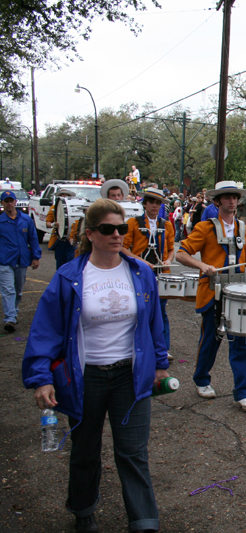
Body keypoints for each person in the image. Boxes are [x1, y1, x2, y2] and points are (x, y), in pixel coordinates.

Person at [22, 198, 169, 532]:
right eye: (108, 229)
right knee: (85, 451)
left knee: (133, 453)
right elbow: (47, 330)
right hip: (84, 377)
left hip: (129, 377)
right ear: (90, 234)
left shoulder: (141, 272)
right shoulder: (70, 276)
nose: (117, 235)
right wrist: (41, 377)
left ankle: (144, 521)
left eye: (121, 229)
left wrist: (160, 363)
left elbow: (153, 323)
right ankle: (83, 511)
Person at [175, 181, 246, 412]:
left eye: (235, 197)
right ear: (217, 201)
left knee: (239, 343)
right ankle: (201, 379)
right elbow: (181, 253)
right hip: (212, 292)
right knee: (211, 340)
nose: (232, 201)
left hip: (237, 293)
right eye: (227, 197)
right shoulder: (205, 228)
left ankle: (244, 393)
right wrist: (202, 264)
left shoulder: (244, 229)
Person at [121, 187, 175, 361]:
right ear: (144, 204)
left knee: (161, 311)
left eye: (158, 203)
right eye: (151, 202)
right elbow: (123, 248)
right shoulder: (133, 223)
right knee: (139, 309)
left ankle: (163, 348)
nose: (154, 205)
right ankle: (137, 346)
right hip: (139, 273)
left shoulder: (166, 225)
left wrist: (168, 261)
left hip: (161, 273)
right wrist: (141, 261)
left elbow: (172, 249)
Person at [0, 190, 41, 332]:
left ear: (15, 202)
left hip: (22, 260)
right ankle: (10, 318)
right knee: (7, 290)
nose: (9, 203)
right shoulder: (1, 221)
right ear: (2, 203)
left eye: (11, 201)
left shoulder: (26, 220)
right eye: (6, 201)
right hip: (4, 261)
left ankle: (13, 310)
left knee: (18, 291)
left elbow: (33, 239)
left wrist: (36, 257)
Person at [46, 188, 78, 270]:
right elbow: (48, 223)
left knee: (72, 261)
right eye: (62, 195)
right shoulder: (54, 207)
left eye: (66, 195)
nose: (64, 197)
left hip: (72, 238)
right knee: (60, 262)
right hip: (59, 239)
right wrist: (53, 225)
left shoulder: (75, 207)